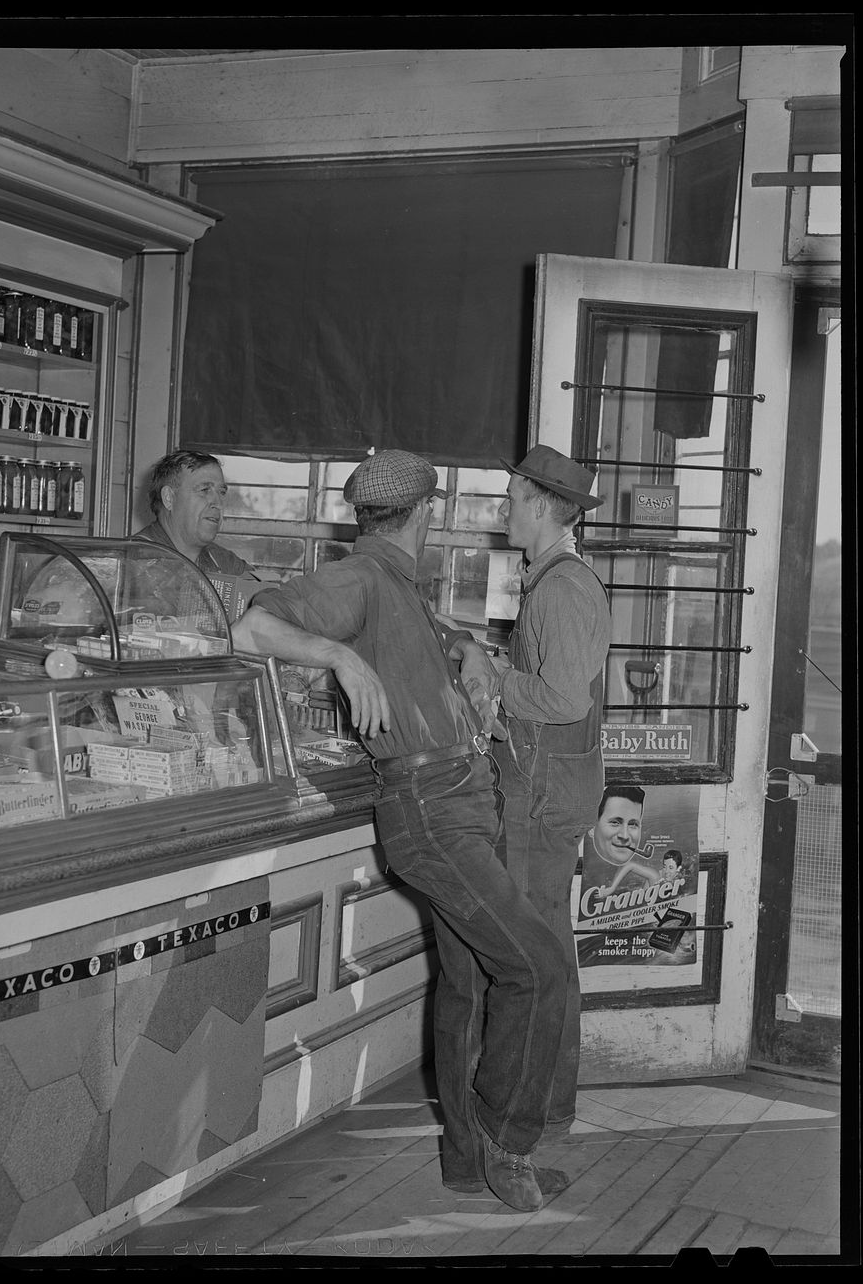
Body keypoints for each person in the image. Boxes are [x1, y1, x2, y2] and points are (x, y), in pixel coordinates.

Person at [232, 449, 572, 1212]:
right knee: (538, 967)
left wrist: (470, 649)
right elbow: (252, 627)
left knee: (468, 980)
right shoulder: (360, 577)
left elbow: (432, 636)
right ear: (428, 513)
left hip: (451, 800)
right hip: (432, 809)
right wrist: (338, 660)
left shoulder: (397, 582)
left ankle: (463, 1157)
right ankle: (508, 1147)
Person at [485, 445, 612, 1146]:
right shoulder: (556, 578)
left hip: (540, 801)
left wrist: (491, 678)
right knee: (548, 954)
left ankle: (527, 1116)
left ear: (539, 505)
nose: (503, 508)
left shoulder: (562, 588)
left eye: (510, 498)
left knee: (533, 960)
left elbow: (561, 699)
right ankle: (548, 1104)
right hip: (548, 793)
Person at [133, 449, 257, 580]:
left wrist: (263, 596)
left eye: (221, 492)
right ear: (169, 498)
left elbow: (269, 590)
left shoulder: (222, 561)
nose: (218, 503)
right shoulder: (129, 564)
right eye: (204, 490)